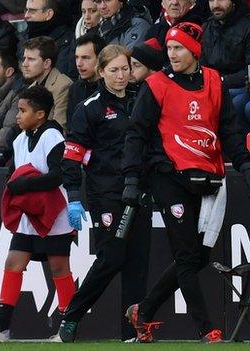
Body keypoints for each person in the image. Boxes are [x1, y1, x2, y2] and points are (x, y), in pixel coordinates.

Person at [122, 22, 250, 344]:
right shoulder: (156, 85)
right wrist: (132, 177)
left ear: (194, 51)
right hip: (170, 177)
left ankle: (144, 311)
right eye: (169, 48)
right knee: (186, 253)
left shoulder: (214, 82)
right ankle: (206, 329)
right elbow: (137, 133)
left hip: (210, 178)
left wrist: (245, 163)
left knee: (197, 257)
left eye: (179, 48)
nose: (172, 54)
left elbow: (230, 131)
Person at [52, 44, 152, 343]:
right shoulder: (90, 108)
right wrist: (73, 194)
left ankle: (132, 332)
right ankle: (70, 317)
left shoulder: (140, 101)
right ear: (101, 72)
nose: (121, 76)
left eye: (126, 69)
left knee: (137, 262)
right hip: (107, 192)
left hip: (139, 191)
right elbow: (71, 155)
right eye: (114, 70)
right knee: (111, 258)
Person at [0, 85, 75, 342]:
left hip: (54, 212)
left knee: (60, 268)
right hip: (29, 214)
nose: (17, 115)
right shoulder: (19, 139)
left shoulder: (53, 137)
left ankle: (68, 325)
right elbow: (16, 169)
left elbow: (58, 175)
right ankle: (1, 327)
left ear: (40, 114)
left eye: (23, 110)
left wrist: (25, 185)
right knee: (13, 262)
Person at [201, 0, 250, 124]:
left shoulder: (247, 26)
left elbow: (249, 71)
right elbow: (202, 65)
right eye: (211, 0)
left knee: (235, 103)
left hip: (240, 86)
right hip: (214, 84)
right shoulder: (207, 27)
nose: (216, 5)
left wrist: (221, 81)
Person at [21, 36, 72, 131]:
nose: (24, 64)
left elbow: (59, 128)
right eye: (24, 58)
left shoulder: (63, 85)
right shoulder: (31, 88)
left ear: (47, 63)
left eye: (31, 59)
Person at [22, 0, 75, 78]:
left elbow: (62, 74)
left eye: (32, 11)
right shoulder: (22, 37)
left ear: (49, 14)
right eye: (26, 10)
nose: (26, 15)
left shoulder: (67, 40)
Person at [66, 33, 105, 130]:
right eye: (76, 57)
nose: (79, 64)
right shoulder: (75, 89)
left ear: (100, 58)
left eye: (85, 58)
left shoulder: (111, 88)